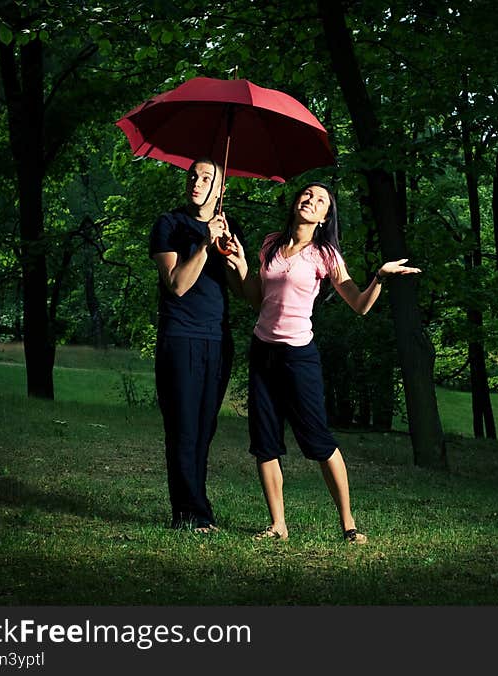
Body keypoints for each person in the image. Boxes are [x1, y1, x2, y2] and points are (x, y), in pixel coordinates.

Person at [223, 182, 420, 543]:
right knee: (265, 441)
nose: (310, 201)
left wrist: (379, 277)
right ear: (296, 200)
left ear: (325, 215)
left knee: (318, 440)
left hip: (299, 357)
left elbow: (359, 304)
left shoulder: (325, 254)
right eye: (306, 195)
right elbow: (256, 299)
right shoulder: (270, 243)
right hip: (262, 351)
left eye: (320, 201)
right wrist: (240, 265)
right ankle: (278, 525)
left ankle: (349, 524)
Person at [149, 158, 242, 533]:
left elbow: (244, 291)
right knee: (183, 427)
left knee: (204, 428)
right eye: (193, 175)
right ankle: (189, 513)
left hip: (218, 340)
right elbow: (177, 284)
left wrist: (236, 257)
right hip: (181, 337)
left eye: (207, 177)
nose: (196, 182)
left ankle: (196, 507)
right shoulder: (169, 224)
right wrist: (203, 244)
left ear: (220, 190)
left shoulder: (228, 230)